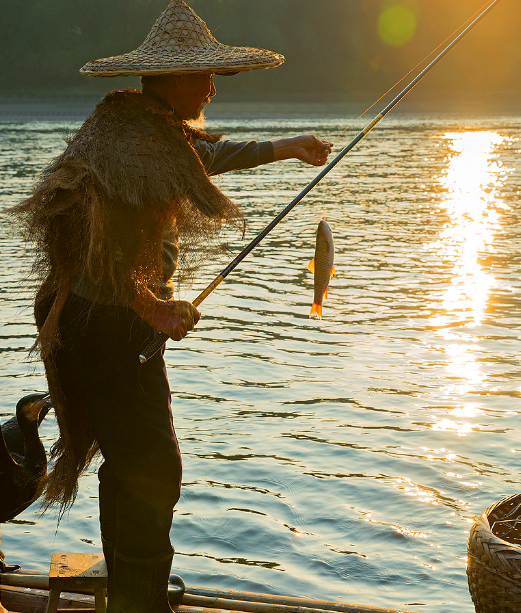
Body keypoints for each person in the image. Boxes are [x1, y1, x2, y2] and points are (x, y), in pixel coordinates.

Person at [13, 1, 332, 612]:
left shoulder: (140, 125)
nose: (215, 86)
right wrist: (153, 308)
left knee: (138, 459)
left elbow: (201, 159)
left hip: (103, 322)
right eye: (208, 75)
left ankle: (138, 589)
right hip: (104, 323)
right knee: (152, 463)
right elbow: (85, 243)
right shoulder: (133, 136)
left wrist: (287, 146)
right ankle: (139, 600)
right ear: (176, 77)